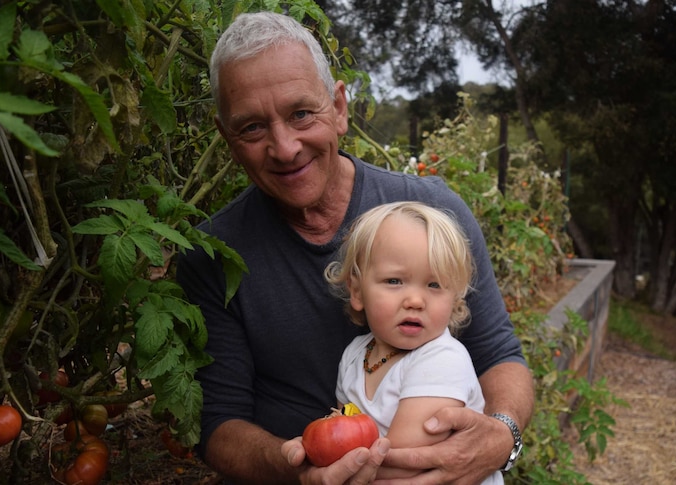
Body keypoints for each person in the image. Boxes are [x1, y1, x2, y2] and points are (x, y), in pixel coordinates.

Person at [176, 10, 534, 484]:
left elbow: (499, 353)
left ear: (339, 107)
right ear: (227, 138)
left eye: (301, 113)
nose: (285, 147)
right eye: (252, 128)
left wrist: (501, 436)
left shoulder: (431, 212)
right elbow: (219, 424)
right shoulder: (213, 255)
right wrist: (297, 468)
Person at [326, 201, 503, 485]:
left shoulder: (442, 360)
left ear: (454, 298)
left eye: (434, 285)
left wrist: (327, 463)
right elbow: (344, 434)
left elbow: (405, 463)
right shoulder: (354, 355)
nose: (416, 301)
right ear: (357, 291)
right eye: (395, 281)